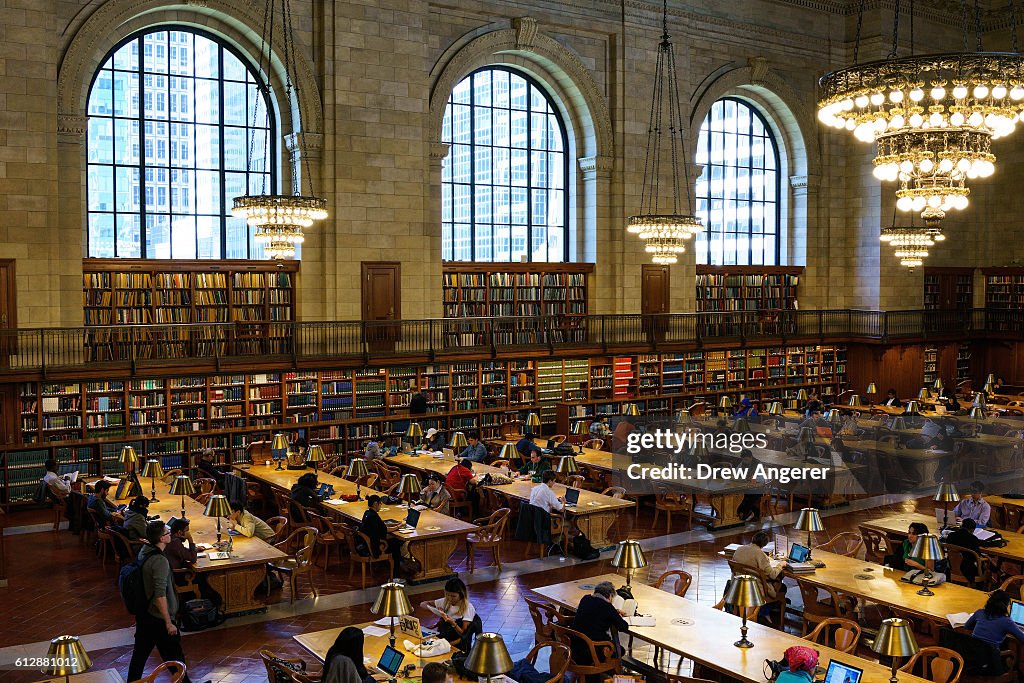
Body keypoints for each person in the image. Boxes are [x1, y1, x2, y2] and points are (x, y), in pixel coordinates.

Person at [127, 521, 194, 683]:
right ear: (162, 539)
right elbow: (159, 594)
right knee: (175, 657)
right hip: (158, 618)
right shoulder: (159, 561)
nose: (169, 534)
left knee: (141, 655)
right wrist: (168, 622)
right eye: (166, 533)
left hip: (145, 615)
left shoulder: (145, 550)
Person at [568, 581, 628, 663]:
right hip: (593, 649)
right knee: (620, 650)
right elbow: (623, 627)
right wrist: (616, 614)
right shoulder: (607, 607)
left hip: (575, 645)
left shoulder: (585, 599)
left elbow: (595, 612)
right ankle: (608, 671)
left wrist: (614, 611)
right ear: (610, 596)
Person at [420, 577, 477, 645]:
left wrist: (453, 623)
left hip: (457, 643)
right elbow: (423, 604)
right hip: (443, 638)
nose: (449, 598)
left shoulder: (468, 608)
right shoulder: (445, 601)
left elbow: (464, 634)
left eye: (453, 596)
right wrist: (434, 610)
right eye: (447, 595)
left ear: (461, 595)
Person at [732, 530, 787, 599]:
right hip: (754, 587)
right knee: (782, 585)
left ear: (753, 539)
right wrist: (780, 565)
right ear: (764, 544)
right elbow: (772, 575)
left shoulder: (739, 549)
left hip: (738, 584)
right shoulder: (760, 554)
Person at [946, 518, 1001, 583]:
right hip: (967, 570)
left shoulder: (951, 535)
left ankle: (998, 571)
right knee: (986, 560)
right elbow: (977, 556)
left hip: (951, 566)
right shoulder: (973, 539)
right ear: (972, 530)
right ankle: (983, 585)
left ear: (961, 526)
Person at [735, 449, 763, 522]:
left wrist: (754, 478)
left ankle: (744, 513)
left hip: (758, 489)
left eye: (746, 459)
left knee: (747, 498)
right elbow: (736, 471)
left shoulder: (758, 464)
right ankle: (743, 513)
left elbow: (762, 479)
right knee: (738, 496)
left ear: (751, 457)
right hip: (746, 487)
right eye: (743, 459)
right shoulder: (743, 463)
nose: (744, 461)